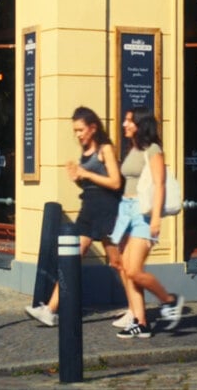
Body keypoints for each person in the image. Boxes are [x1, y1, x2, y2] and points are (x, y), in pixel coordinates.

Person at [25, 106, 123, 327]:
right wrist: (77, 178)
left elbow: (115, 182)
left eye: (80, 130)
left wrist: (85, 173)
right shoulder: (85, 151)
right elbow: (92, 182)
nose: (78, 135)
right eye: (75, 131)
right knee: (72, 258)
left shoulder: (106, 149)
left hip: (106, 210)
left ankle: (138, 311)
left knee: (117, 262)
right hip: (88, 210)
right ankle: (50, 309)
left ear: (93, 127)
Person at [110, 107, 184, 339]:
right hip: (126, 211)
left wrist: (154, 220)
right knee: (121, 266)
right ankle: (140, 322)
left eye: (129, 120)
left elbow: (159, 184)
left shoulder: (153, 150)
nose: (124, 124)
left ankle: (169, 300)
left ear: (140, 124)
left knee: (133, 269)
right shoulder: (133, 148)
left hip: (143, 214)